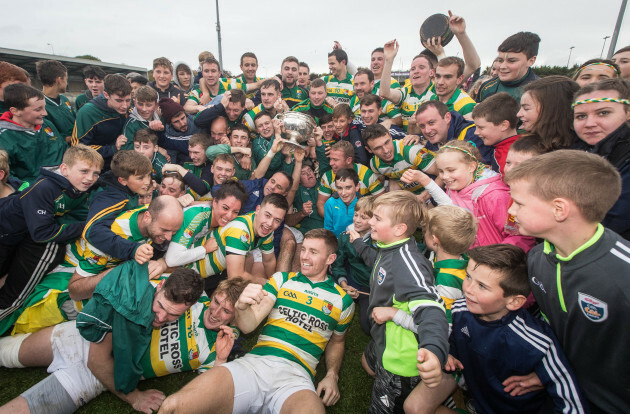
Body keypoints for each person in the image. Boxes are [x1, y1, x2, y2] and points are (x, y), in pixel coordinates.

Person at [159, 228, 355, 414]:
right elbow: (248, 325)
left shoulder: (342, 301)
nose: (304, 256)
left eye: (313, 252)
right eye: (303, 249)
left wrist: (332, 375)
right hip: (255, 364)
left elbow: (337, 341)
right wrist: (241, 307)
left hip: (297, 377)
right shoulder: (281, 280)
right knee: (172, 406)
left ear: (330, 258)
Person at [0, 276, 247, 414]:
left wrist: (222, 361)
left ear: (236, 317)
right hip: (77, 338)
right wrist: (135, 399)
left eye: (227, 311)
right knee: (5, 352)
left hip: (94, 378)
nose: (216, 312)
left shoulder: (219, 347)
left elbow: (207, 394)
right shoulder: (190, 298)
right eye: (216, 302)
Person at [506, 150, 630, 413]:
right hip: (565, 393)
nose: (511, 210)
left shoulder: (622, 278)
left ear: (559, 209)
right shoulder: (538, 258)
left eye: (519, 203)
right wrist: (547, 374)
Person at [404, 244, 588, 414]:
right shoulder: (460, 309)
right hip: (479, 393)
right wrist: (448, 354)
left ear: (515, 301)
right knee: (413, 408)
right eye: (468, 277)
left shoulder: (537, 342)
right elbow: (451, 341)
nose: (468, 289)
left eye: (482, 286)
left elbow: (571, 401)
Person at [348, 191, 448, 413]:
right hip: (383, 338)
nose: (370, 222)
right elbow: (378, 264)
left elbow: (432, 308)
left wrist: (433, 349)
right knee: (367, 362)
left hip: (401, 359)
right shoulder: (389, 248)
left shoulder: (408, 263)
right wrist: (358, 244)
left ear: (399, 229)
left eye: (377, 219)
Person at [0, 145, 102, 322]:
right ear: (64, 169)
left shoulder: (75, 187)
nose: (90, 178)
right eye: (84, 171)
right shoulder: (45, 188)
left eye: (95, 173)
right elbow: (41, 233)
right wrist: (86, 227)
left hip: (17, 239)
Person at [408, 140, 534, 250]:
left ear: (471, 166)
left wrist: (498, 259)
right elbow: (450, 208)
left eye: (451, 170)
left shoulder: (495, 196)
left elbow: (519, 236)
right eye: (441, 171)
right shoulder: (454, 188)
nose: (445, 177)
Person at [68, 196, 184, 301]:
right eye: (164, 230)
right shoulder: (110, 237)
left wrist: (162, 263)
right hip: (68, 275)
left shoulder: (154, 214)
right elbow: (74, 292)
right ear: (147, 217)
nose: (169, 238)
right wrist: (119, 272)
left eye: (173, 232)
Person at [571, 78, 630, 239]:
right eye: (581, 116)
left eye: (603, 113)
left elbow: (612, 221)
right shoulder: (575, 149)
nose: (590, 123)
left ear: (627, 113)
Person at [164, 181, 248, 273]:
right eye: (225, 208)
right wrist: (205, 249)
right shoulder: (196, 216)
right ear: (215, 202)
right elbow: (172, 260)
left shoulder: (231, 224)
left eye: (235, 212)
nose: (229, 216)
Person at [0, 83, 67, 184]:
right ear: (15, 111)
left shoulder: (47, 124)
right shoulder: (4, 138)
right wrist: (29, 188)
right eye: (38, 109)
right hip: (35, 192)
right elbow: (7, 177)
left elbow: (64, 149)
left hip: (64, 181)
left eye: (44, 107)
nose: (45, 113)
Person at [331, 195, 375, 335]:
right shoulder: (345, 236)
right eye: (356, 215)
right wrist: (344, 285)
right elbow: (338, 265)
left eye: (364, 217)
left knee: (368, 324)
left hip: (372, 286)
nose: (357, 220)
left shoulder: (379, 241)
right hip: (353, 279)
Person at [71, 74, 131, 169]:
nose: (125, 106)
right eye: (119, 100)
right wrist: (113, 148)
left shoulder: (129, 108)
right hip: (95, 165)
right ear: (106, 95)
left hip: (120, 163)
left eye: (128, 100)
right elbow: (78, 148)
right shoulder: (87, 112)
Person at [316, 140, 383, 218]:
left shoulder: (366, 174)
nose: (330, 163)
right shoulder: (328, 176)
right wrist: (334, 221)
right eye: (330, 159)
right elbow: (321, 204)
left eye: (335, 160)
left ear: (348, 160)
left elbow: (382, 201)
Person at [362, 124, 435, 195]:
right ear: (369, 149)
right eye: (378, 148)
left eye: (386, 142)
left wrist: (424, 197)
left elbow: (441, 175)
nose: (386, 150)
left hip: (433, 192)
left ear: (390, 136)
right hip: (412, 198)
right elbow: (394, 180)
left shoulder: (410, 150)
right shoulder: (374, 164)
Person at [379, 40, 435, 133]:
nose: (416, 71)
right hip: (407, 141)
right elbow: (384, 92)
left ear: (431, 72)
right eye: (413, 69)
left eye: (421, 67)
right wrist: (389, 60)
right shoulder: (405, 92)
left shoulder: (437, 91)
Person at [415, 100, 490, 162]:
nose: (427, 130)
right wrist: (418, 137)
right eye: (422, 126)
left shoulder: (472, 135)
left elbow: (484, 172)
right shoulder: (437, 136)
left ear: (447, 118)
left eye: (431, 123)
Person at [517, 76, 580, 151]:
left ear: (552, 110)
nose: (518, 114)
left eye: (526, 108)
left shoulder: (578, 152)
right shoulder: (529, 144)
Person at [477, 32, 541, 102]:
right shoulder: (487, 88)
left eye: (511, 61)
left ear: (531, 61)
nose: (502, 66)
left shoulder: (541, 91)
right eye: (500, 60)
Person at [471, 92, 521, 175]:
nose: (476, 132)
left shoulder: (506, 156)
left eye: (481, 127)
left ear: (503, 125)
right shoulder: (519, 143)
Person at [162, 132, 214, 198]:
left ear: (208, 152)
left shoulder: (211, 166)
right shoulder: (187, 160)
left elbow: (202, 189)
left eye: (196, 153)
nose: (192, 156)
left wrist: (178, 168)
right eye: (190, 152)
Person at [36, 60, 75, 140]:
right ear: (59, 80)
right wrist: (71, 138)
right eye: (66, 79)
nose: (66, 83)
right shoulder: (38, 104)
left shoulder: (64, 99)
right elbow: (47, 136)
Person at [158, 97, 202, 163]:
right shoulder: (167, 134)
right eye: (176, 121)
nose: (182, 123)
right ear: (170, 124)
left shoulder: (197, 123)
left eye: (183, 118)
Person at [121, 85, 163, 151]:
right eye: (140, 104)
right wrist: (156, 150)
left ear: (156, 105)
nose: (144, 109)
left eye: (148, 105)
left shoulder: (159, 118)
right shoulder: (131, 124)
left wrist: (161, 130)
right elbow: (126, 148)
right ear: (134, 102)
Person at [324, 168, 360, 237]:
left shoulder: (364, 204)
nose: (343, 193)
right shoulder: (330, 203)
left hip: (357, 243)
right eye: (339, 188)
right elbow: (328, 232)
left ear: (357, 186)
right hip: (336, 244)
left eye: (348, 187)